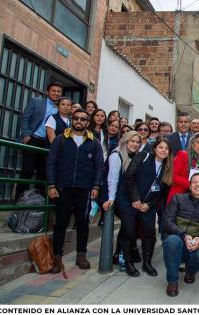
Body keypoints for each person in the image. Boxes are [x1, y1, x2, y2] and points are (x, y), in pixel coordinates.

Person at [46, 109, 104, 273]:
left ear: (87, 122)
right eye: (76, 118)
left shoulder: (94, 142)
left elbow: (99, 166)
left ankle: (81, 254)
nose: (79, 121)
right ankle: (57, 258)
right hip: (63, 188)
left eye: (83, 119)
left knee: (83, 223)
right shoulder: (60, 140)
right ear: (72, 120)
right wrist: (51, 185)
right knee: (60, 223)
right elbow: (51, 163)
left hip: (84, 189)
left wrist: (96, 186)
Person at [116, 137, 173, 277]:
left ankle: (147, 263)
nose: (163, 150)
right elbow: (129, 176)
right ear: (154, 148)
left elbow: (161, 192)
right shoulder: (143, 156)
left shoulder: (167, 167)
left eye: (166, 148)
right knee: (129, 232)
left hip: (148, 204)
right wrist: (136, 199)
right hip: (129, 199)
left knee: (149, 233)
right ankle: (128, 263)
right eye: (160, 147)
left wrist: (149, 204)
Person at [162, 173, 199, 297]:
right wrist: (183, 235)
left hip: (195, 245)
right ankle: (172, 282)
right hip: (178, 243)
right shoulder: (178, 199)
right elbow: (167, 221)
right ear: (190, 186)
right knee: (172, 241)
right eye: (194, 182)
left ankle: (190, 271)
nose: (198, 184)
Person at [101, 131, 141, 265]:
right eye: (132, 141)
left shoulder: (134, 156)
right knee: (128, 228)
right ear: (125, 141)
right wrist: (111, 198)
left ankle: (119, 254)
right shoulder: (116, 155)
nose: (135, 144)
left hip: (129, 195)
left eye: (137, 142)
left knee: (127, 227)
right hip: (119, 196)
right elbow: (112, 178)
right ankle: (124, 255)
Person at [17, 81, 63, 199]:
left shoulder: (61, 108)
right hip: (33, 139)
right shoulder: (36, 102)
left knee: (43, 174)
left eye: (58, 91)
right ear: (48, 92)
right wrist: (27, 135)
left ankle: (39, 203)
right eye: (53, 91)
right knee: (27, 171)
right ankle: (19, 201)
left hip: (48, 144)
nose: (56, 93)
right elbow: (25, 118)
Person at [167, 133, 199, 204]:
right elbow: (173, 176)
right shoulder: (183, 155)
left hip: (195, 197)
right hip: (178, 194)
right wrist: (191, 184)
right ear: (192, 143)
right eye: (198, 143)